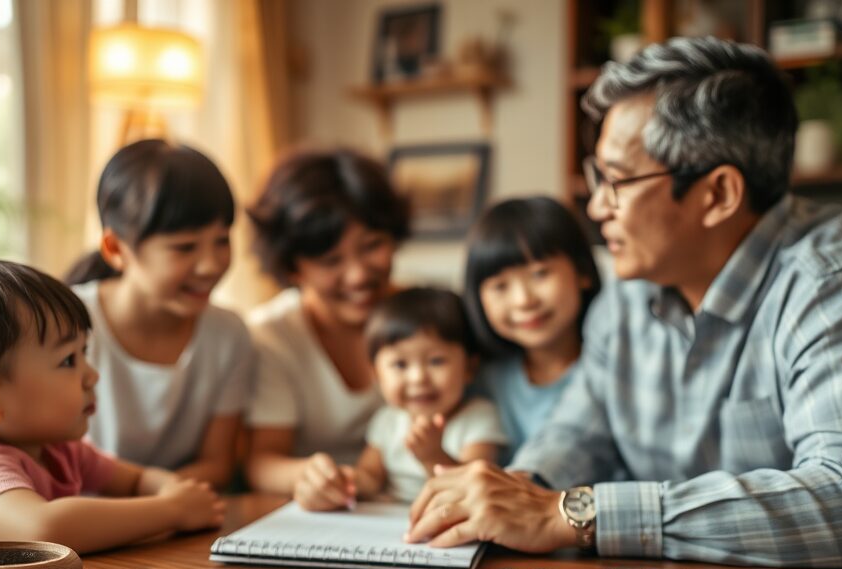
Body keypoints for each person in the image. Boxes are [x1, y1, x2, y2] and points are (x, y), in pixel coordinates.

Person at [407, 36, 842, 567]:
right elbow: (577, 432)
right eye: (597, 177)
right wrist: (518, 489)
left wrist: (576, 514)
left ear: (718, 194)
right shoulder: (628, 292)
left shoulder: (836, 282)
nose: (596, 207)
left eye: (617, 180)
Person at [0, 139, 254, 488]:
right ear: (116, 248)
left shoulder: (229, 334)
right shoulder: (58, 326)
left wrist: (150, 502)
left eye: (223, 240)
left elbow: (217, 464)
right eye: (184, 247)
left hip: (152, 512)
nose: (211, 264)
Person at [0, 258, 225, 556]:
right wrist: (171, 510)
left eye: (84, 353)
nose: (92, 375)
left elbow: (135, 479)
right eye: (68, 360)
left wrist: (174, 490)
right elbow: (44, 529)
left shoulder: (57, 448)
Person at [244, 148, 410, 509]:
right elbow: (262, 461)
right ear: (292, 267)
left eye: (373, 245)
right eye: (331, 260)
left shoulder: (422, 316)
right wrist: (309, 476)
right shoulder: (273, 336)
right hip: (327, 513)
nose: (358, 275)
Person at [300, 287, 506, 509]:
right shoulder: (388, 420)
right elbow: (370, 477)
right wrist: (344, 481)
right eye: (400, 364)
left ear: (469, 368)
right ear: (376, 373)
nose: (418, 378)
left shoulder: (478, 417)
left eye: (436, 361)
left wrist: (433, 456)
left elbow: (473, 487)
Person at [464, 196, 601, 462]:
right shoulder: (478, 381)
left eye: (540, 274)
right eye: (500, 286)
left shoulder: (609, 371)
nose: (524, 300)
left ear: (582, 272)